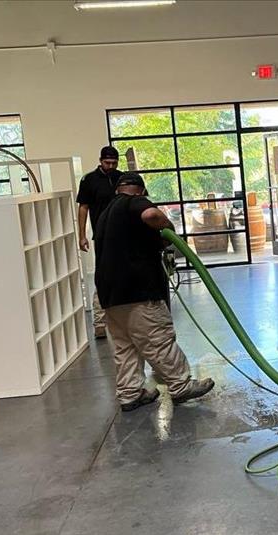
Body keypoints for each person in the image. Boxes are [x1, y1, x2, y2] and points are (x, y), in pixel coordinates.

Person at [94, 172, 214, 412]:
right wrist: (168, 228)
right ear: (139, 190)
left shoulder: (106, 213)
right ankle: (180, 386)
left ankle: (130, 394)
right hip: (138, 291)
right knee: (158, 340)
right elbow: (151, 214)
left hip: (109, 294)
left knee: (125, 346)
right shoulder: (133, 202)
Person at [76, 146, 123, 339]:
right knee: (103, 276)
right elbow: (83, 208)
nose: (110, 166)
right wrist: (81, 235)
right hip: (102, 236)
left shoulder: (122, 178)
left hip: (123, 235)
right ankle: (99, 322)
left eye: (114, 163)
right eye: (107, 163)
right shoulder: (89, 180)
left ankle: (123, 319)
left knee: (125, 273)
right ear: (100, 160)